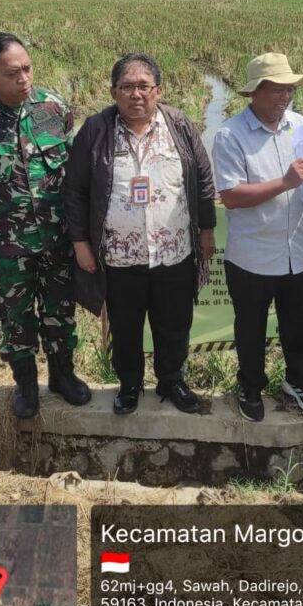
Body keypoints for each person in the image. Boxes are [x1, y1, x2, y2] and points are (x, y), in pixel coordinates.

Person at [0, 32, 90, 419]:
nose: (24, 78)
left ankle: (63, 374)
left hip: (58, 238)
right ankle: (25, 383)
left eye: (27, 68)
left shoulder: (54, 108)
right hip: (9, 244)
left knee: (60, 311)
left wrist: (85, 235)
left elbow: (76, 177)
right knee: (16, 316)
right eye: (13, 73)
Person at [64, 53, 216, 416]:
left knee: (174, 324)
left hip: (173, 251)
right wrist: (81, 244)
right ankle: (130, 385)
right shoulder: (96, 130)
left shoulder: (179, 125)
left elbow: (204, 182)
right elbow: (75, 191)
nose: (136, 95)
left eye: (144, 87)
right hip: (119, 255)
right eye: (127, 87)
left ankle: (171, 381)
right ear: (114, 91)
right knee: (126, 326)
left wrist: (206, 231)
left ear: (158, 91)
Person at [212, 52, 303, 422]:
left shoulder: (301, 125)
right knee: (250, 329)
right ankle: (250, 387)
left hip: (301, 251)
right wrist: (284, 182)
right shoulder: (230, 135)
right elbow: (231, 196)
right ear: (255, 92)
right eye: (278, 89)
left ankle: (300, 382)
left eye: (290, 88)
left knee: (299, 325)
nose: (286, 96)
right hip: (253, 258)